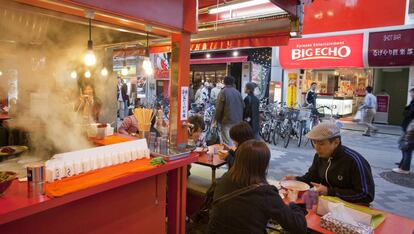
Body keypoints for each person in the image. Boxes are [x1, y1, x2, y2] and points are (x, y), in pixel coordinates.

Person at [208, 140, 308, 234]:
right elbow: (299, 227)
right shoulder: (265, 193)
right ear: (264, 165)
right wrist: (293, 202)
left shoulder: (225, 178)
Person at [283, 122, 375, 205]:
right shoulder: (319, 156)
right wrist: (295, 179)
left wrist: (329, 192)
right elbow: (312, 178)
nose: (316, 148)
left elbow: (366, 195)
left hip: (350, 209)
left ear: (336, 142)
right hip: (325, 203)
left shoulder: (354, 161)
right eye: (314, 143)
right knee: (294, 207)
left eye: (321, 144)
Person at [213, 76, 244, 147]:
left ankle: (229, 156)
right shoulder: (238, 92)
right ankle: (236, 154)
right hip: (238, 120)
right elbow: (243, 106)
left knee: (227, 141)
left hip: (227, 120)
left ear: (224, 82)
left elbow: (218, 108)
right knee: (235, 140)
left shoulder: (223, 92)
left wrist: (215, 120)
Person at [394, 88, 414, 174]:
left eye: (412, 94)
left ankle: (404, 168)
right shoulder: (412, 102)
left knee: (405, 146)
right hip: (408, 127)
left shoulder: (413, 103)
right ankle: (403, 164)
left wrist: (406, 109)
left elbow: (407, 113)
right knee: (405, 146)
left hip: (410, 128)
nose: (411, 95)